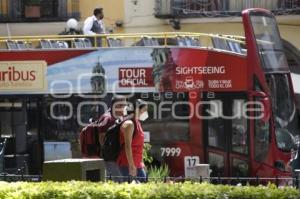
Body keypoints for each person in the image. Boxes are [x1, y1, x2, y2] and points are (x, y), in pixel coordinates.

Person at [97, 95, 127, 182]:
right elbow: (101, 138)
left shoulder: (116, 117)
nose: (125, 108)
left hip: (116, 157)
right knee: (117, 182)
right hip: (111, 159)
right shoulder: (107, 119)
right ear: (117, 106)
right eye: (124, 105)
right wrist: (108, 152)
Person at [117, 99, 148, 182]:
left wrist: (141, 163)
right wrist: (131, 165)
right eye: (144, 110)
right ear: (137, 110)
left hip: (137, 164)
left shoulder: (137, 123)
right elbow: (127, 146)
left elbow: (139, 146)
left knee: (144, 186)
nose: (145, 113)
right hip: (127, 164)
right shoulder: (129, 124)